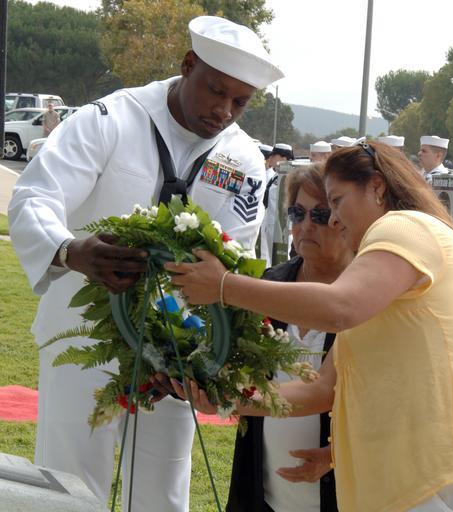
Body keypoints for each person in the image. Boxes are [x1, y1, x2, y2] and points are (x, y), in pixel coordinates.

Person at [8, 15, 282, 511]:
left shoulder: (243, 160)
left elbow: (235, 259)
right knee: (70, 483)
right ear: (189, 65)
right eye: (216, 91)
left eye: (240, 102)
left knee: (163, 490)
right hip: (81, 334)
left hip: (177, 352)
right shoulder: (110, 118)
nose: (223, 111)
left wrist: (199, 352)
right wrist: (71, 250)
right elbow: (36, 197)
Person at [166, 141, 453, 512]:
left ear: (376, 187)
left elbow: (339, 308)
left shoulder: (405, 227)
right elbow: (320, 389)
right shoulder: (385, 268)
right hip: (404, 481)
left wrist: (224, 286)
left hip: (430, 479)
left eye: (335, 203)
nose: (335, 220)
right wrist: (226, 400)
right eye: (301, 213)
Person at [225, 163, 352, 512]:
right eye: (297, 213)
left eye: (320, 214)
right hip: (264, 492)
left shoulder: (364, 298)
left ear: (346, 220)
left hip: (338, 496)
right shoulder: (270, 284)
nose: (306, 225)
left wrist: (336, 454)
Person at [260, 143, 294, 266]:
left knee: (281, 258)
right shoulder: (276, 175)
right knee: (269, 258)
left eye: (274, 155)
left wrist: (290, 226)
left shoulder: (289, 176)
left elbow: (291, 201)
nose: (270, 158)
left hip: (282, 226)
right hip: (271, 222)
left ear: (283, 157)